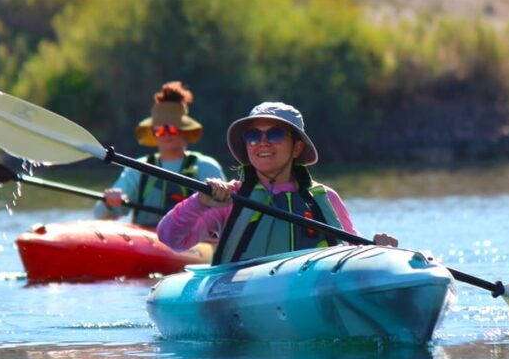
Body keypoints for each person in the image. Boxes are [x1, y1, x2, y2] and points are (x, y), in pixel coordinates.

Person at [157, 101, 398, 265]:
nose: (263, 142)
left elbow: (353, 253)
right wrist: (199, 202)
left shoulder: (325, 198)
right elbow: (170, 239)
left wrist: (379, 250)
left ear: (297, 148)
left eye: (275, 134)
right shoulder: (229, 199)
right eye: (253, 135)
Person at [94, 81, 225, 227]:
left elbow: (226, 214)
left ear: (184, 131)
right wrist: (109, 203)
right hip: (145, 237)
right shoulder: (137, 168)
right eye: (160, 130)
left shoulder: (206, 167)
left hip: (193, 238)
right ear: (154, 133)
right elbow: (100, 214)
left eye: (172, 129)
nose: (167, 134)